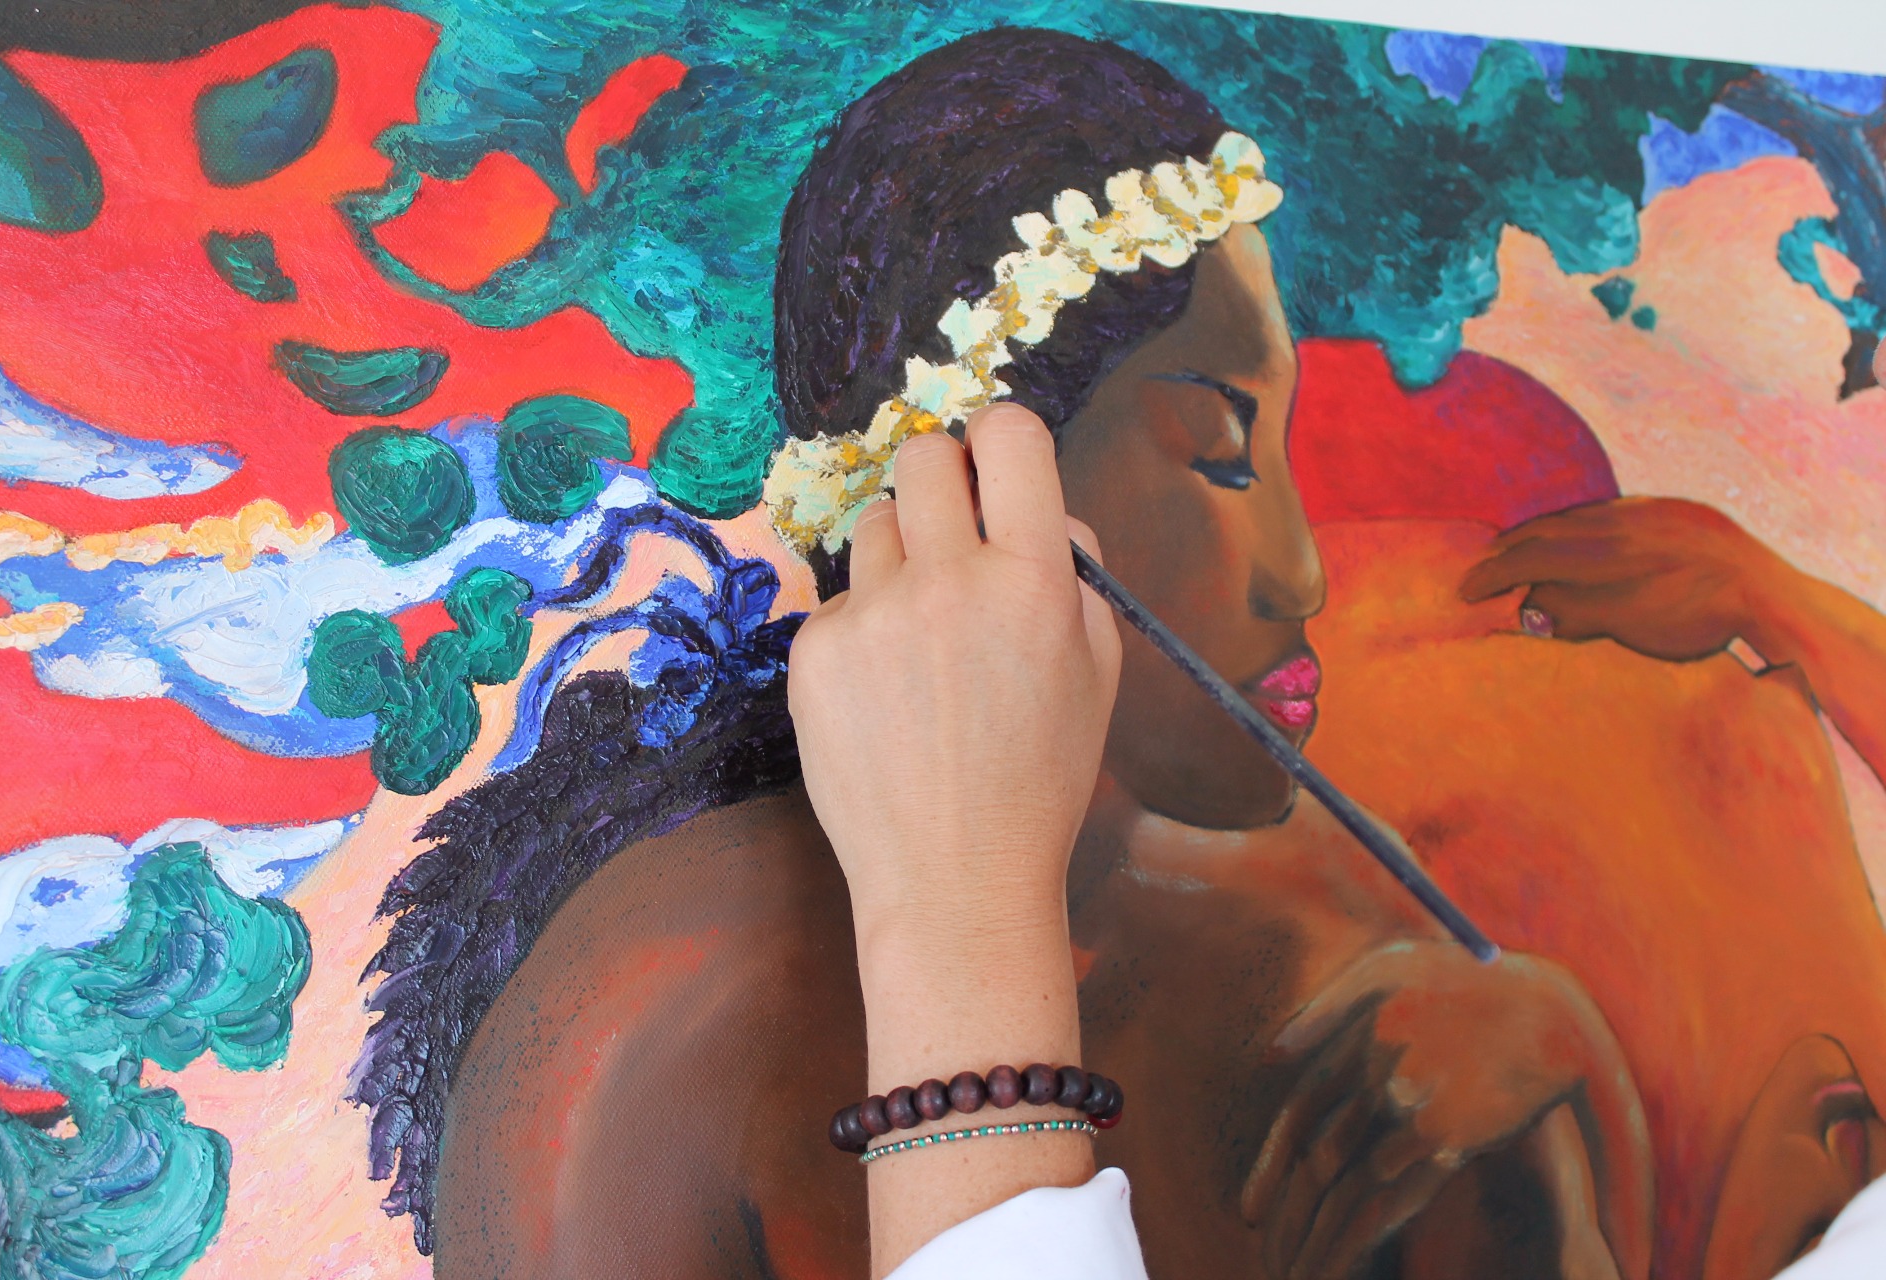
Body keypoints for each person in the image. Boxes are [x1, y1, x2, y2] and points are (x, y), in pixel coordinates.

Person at [373, 27, 1886, 1279]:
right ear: (968, 491)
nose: (1304, 573)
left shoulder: (1379, 1035)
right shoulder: (661, 1030)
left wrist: (1564, 1078)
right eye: (1221, 451)